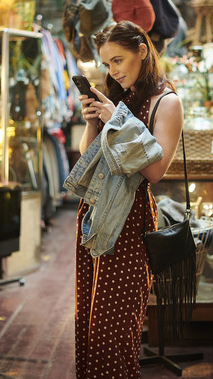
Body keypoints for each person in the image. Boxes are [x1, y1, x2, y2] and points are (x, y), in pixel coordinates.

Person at [74, 20, 183, 378]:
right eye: (107, 64)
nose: (113, 70)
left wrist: (115, 120)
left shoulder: (166, 102)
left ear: (142, 51)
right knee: (90, 321)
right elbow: (87, 158)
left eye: (118, 60)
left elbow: (155, 171)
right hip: (94, 210)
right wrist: (94, 121)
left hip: (129, 218)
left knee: (115, 329)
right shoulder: (119, 97)